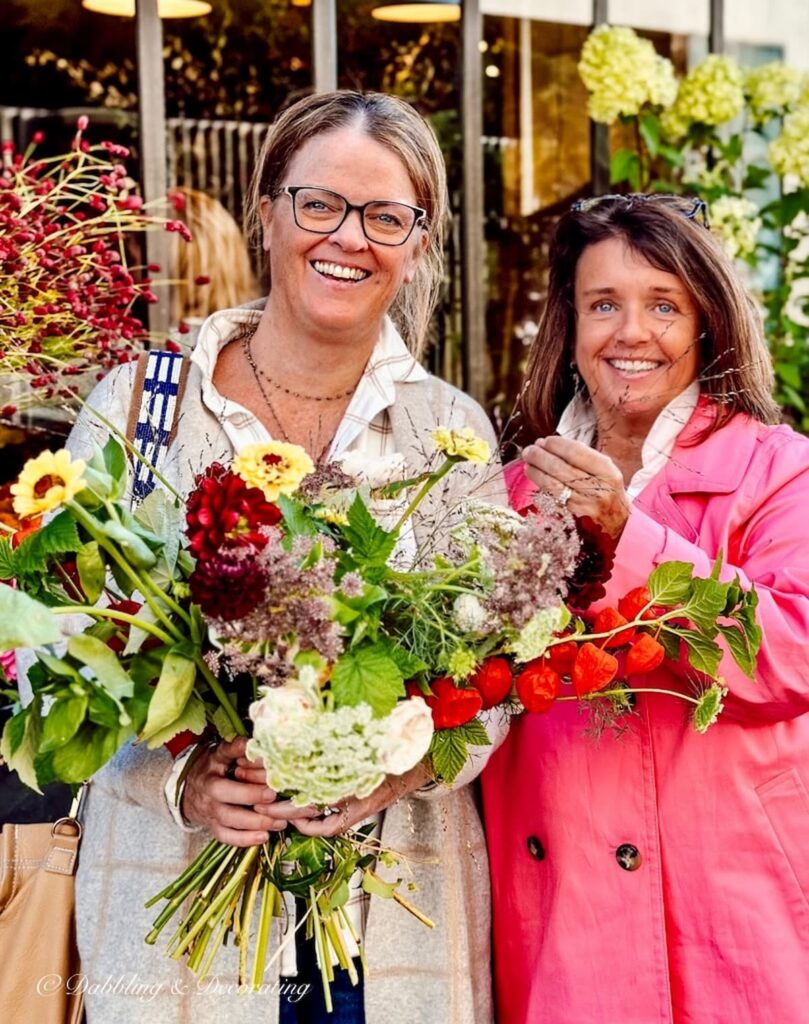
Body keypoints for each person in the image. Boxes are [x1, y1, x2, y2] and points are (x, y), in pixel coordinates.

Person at [66, 91, 505, 1024]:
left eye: (386, 216)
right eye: (319, 205)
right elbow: (55, 655)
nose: (348, 238)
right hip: (173, 916)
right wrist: (182, 780)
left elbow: (497, 681)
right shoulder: (143, 409)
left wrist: (401, 767)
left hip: (393, 916)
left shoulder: (448, 432)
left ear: (417, 241)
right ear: (267, 210)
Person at [482, 193, 809, 1023]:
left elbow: (792, 655)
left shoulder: (778, 469)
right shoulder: (508, 490)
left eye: (662, 305)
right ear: (569, 324)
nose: (630, 333)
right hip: (559, 922)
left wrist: (627, 538)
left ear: (705, 321)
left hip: (729, 918)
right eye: (603, 305)